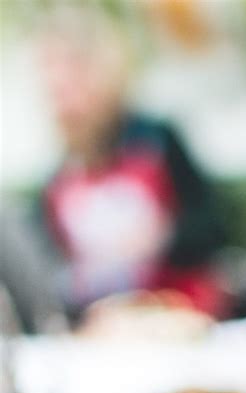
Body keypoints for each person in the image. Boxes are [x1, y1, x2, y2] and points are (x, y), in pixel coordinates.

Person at [35, 10, 225, 322]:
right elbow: (50, 270)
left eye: (73, 72)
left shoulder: (156, 142)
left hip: (178, 314)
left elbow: (211, 230)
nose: (63, 90)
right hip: (105, 328)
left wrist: (161, 238)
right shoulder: (59, 178)